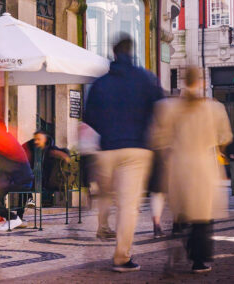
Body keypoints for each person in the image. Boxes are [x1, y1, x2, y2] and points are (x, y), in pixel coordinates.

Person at [85, 34, 163, 272]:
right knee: (129, 206)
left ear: (114, 53)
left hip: (107, 149)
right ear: (133, 52)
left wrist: (109, 131)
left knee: (107, 195)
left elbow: (89, 118)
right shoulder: (146, 79)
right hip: (136, 150)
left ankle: (103, 225)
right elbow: (160, 111)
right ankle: (121, 257)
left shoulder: (100, 83)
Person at [151, 66, 232, 273]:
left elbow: (158, 139)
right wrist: (218, 150)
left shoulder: (168, 107)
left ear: (182, 82)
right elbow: (225, 137)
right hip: (203, 167)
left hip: (178, 165)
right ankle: (199, 260)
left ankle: (178, 239)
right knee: (202, 216)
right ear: (202, 82)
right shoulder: (214, 108)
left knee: (181, 211)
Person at [0, 122, 34, 231]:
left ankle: (13, 218)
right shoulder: (6, 138)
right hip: (15, 178)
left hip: (18, 180)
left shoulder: (2, 139)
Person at [23, 130, 70, 207]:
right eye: (35, 139)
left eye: (39, 139)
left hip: (46, 180)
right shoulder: (30, 146)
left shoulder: (51, 149)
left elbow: (65, 154)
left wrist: (64, 155)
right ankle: (27, 204)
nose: (36, 141)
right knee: (23, 180)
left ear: (45, 139)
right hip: (32, 178)